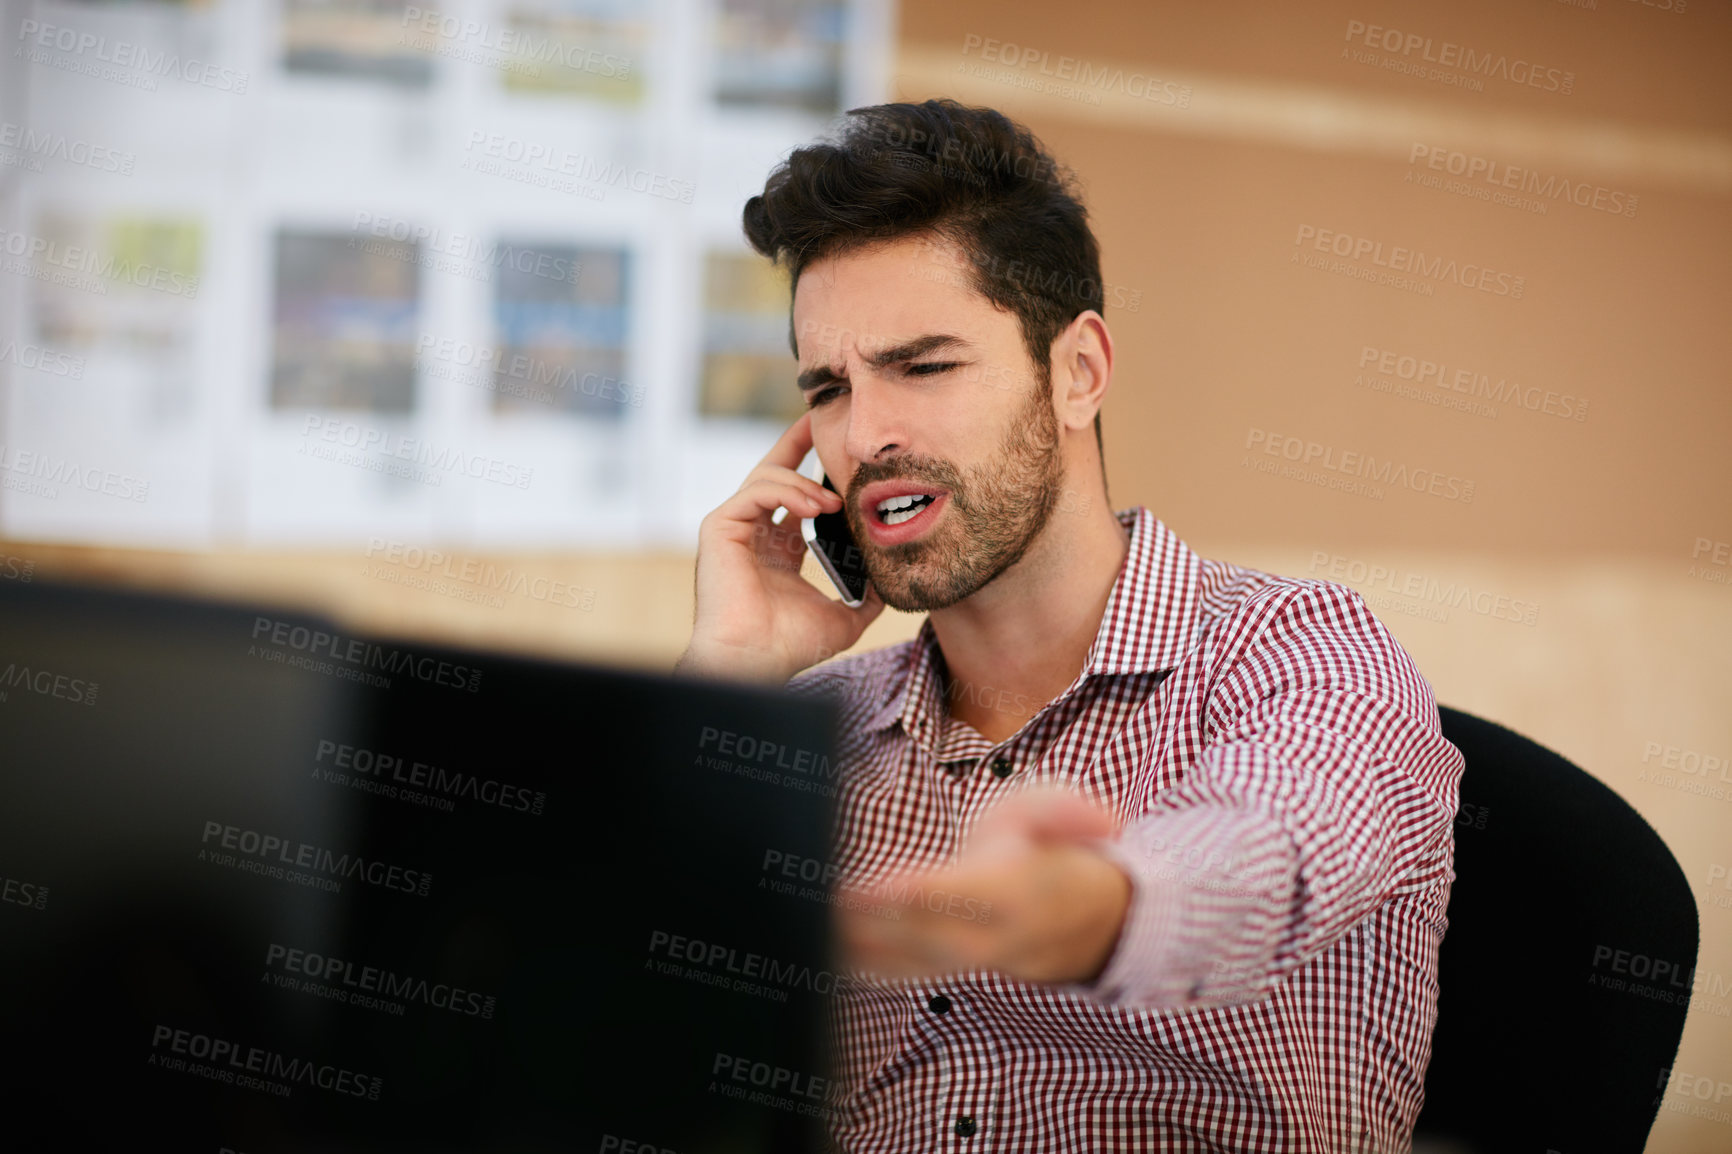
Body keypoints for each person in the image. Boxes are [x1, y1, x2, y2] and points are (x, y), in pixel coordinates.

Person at [677, 98, 1464, 1153]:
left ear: (1077, 371)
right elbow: (584, 1002)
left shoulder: (1301, 653)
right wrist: (722, 679)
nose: (864, 434)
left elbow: (1261, 858)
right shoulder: (808, 724)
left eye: (924, 364)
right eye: (829, 387)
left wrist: (1076, 903)